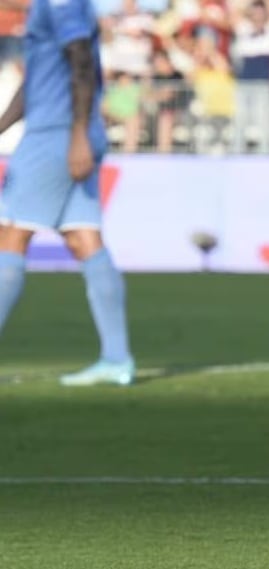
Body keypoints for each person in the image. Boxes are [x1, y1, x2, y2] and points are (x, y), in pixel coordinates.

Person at [0, 0, 134, 386]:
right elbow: (37, 80)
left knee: (11, 234)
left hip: (57, 135)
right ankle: (116, 359)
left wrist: (76, 134)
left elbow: (80, 59)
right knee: (83, 238)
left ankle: (116, 357)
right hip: (68, 132)